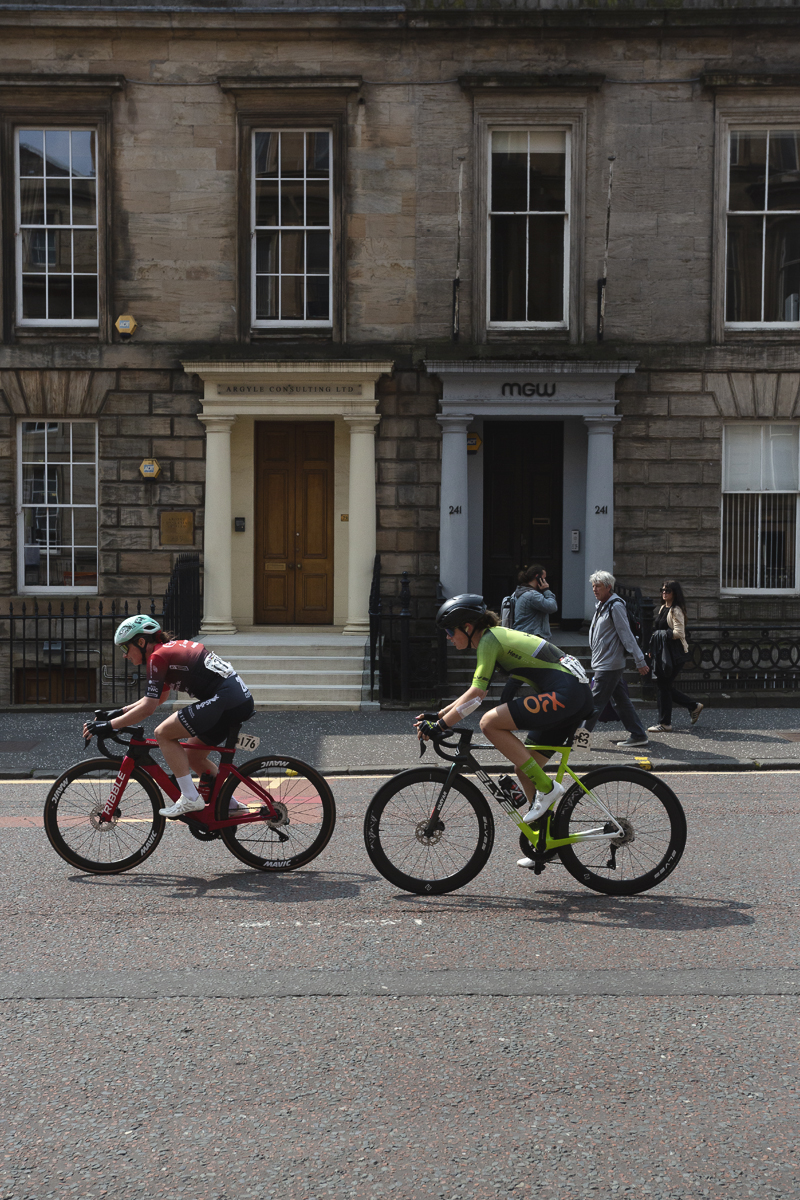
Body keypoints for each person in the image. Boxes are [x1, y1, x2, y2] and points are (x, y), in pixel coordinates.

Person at [416, 594, 594, 870]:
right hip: (573, 693)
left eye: (450, 631)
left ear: (467, 626)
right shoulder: (492, 637)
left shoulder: (489, 640)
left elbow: (477, 695)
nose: (449, 638)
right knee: (525, 769)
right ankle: (548, 843)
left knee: (489, 723)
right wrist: (439, 715)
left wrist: (441, 726)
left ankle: (547, 790)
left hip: (567, 694)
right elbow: (472, 693)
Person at [82, 614, 255, 819]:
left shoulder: (157, 657)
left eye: (124, 648)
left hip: (226, 700)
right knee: (193, 756)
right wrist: (119, 713)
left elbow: (148, 708)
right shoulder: (166, 652)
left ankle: (190, 797)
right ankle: (231, 806)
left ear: (141, 641)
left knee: (163, 733)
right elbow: (159, 698)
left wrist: (110, 725)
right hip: (234, 700)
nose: (124, 655)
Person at [583, 570, 650, 749]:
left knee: (594, 703)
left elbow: (626, 635)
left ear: (608, 587)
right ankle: (638, 734)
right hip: (604, 661)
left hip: (609, 664)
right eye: (593, 586)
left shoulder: (615, 606)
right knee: (620, 700)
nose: (594, 589)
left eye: (598, 586)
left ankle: (579, 742)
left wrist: (640, 660)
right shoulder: (602, 605)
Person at [647, 580, 703, 733]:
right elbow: (656, 630)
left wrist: (662, 634)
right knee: (664, 686)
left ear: (674, 593)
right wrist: (653, 646)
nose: (664, 593)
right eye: (662, 590)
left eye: (667, 591)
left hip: (674, 655)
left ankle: (665, 723)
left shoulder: (675, 610)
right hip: (663, 653)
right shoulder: (662, 608)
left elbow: (679, 633)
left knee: (663, 686)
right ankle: (692, 706)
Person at [511, 564, 558, 638]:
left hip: (523, 634)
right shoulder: (533, 595)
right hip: (533, 636)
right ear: (538, 577)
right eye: (544, 578)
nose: (545, 581)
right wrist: (546, 590)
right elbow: (552, 607)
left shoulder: (520, 592)